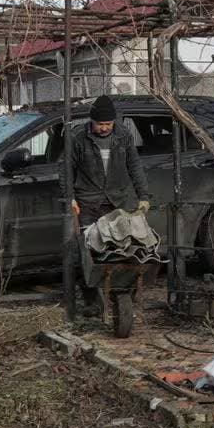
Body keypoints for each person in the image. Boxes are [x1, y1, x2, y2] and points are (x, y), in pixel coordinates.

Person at [68, 95, 150, 318]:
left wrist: (143, 196)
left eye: (108, 124)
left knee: (123, 250)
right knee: (87, 253)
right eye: (100, 124)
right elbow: (65, 169)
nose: (104, 128)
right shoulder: (77, 137)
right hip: (89, 201)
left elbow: (134, 165)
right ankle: (91, 301)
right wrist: (70, 197)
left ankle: (122, 297)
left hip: (118, 201)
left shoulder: (123, 135)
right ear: (91, 121)